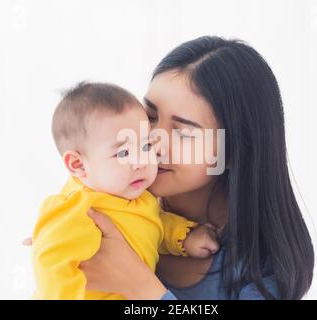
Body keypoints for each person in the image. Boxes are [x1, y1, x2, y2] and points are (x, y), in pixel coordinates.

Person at [31, 82, 219, 299]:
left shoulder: (136, 199)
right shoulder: (78, 209)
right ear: (78, 165)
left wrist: (184, 237)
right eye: (123, 154)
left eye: (146, 146)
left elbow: (152, 223)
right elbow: (51, 264)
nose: (142, 161)